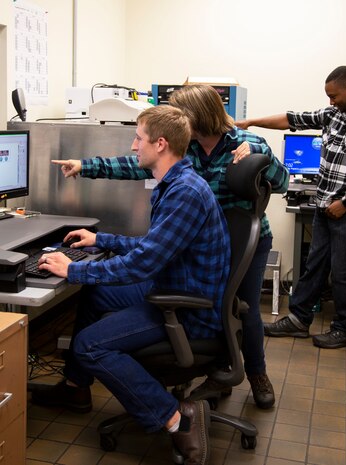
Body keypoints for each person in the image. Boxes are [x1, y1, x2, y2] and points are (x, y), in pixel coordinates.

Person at [52, 85, 289, 409]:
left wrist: (261, 157)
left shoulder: (244, 144)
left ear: (197, 118)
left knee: (242, 309)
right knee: (211, 304)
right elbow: (136, 164)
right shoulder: (187, 149)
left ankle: (252, 373)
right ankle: (76, 385)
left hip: (244, 238)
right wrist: (87, 165)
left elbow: (283, 181)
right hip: (195, 241)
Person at [32, 105, 231, 465]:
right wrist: (101, 240)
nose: (133, 145)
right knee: (98, 293)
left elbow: (144, 263)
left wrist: (72, 271)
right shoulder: (176, 182)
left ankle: (178, 419)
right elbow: (156, 246)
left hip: (186, 307)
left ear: (160, 143)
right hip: (175, 285)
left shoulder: (185, 192)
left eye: (138, 138)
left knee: (89, 345)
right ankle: (76, 389)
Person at [236, 65, 346, 349]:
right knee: (314, 264)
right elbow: (290, 119)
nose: (330, 102)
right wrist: (249, 123)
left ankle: (344, 327)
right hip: (324, 203)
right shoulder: (333, 114)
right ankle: (298, 320)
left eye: (334, 96)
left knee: (343, 269)